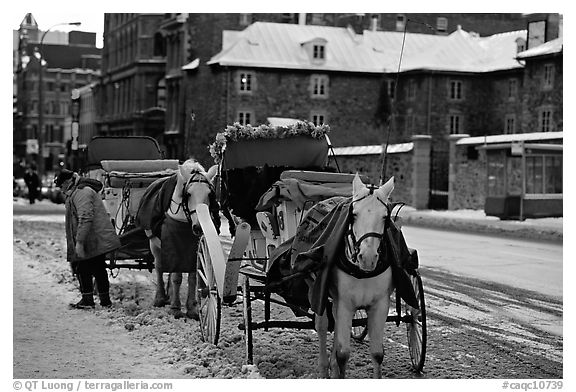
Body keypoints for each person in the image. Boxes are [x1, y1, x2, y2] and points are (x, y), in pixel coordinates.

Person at [54, 169, 121, 309]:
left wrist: (79, 242)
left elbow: (85, 218)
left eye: (61, 186)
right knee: (98, 268)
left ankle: (88, 300)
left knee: (83, 267)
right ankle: (104, 301)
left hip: (93, 239)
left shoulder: (82, 192)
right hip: (94, 238)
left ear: (68, 182)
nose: (61, 190)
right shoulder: (78, 191)